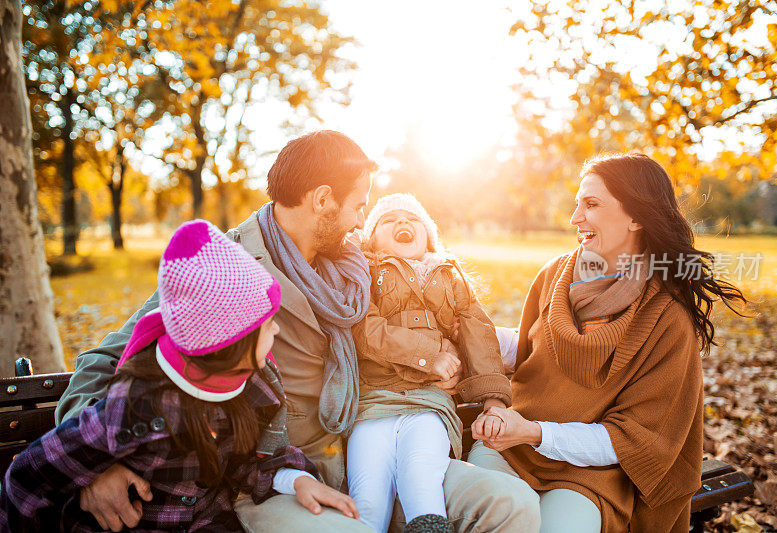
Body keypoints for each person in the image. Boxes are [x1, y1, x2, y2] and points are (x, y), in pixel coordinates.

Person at [55, 131, 540, 532]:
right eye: (358, 207)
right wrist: (91, 468)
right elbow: (110, 356)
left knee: (510, 504)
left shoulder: (353, 269)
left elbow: (441, 318)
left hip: (372, 447)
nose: (359, 223)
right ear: (322, 200)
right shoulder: (227, 264)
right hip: (276, 476)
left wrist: (528, 348)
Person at [0, 219, 357, 531]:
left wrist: (294, 478)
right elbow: (30, 477)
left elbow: (248, 461)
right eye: (266, 325)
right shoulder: (138, 405)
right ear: (228, 344)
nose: (276, 332)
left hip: (206, 521)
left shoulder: (256, 385)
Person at [468, 152, 747, 532]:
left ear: (636, 217)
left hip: (592, 474)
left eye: (592, 204)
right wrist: (458, 338)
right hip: (509, 448)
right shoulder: (554, 275)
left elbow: (631, 440)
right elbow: (532, 350)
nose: (575, 218)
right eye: (577, 204)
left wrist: (535, 432)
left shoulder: (667, 316)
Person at [349, 194, 512, 533]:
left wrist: (493, 400)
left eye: (412, 219)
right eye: (389, 220)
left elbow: (478, 336)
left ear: (429, 233)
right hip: (375, 399)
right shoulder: (366, 270)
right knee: (367, 492)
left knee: (421, 475)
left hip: (429, 403)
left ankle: (428, 524)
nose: (402, 223)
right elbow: (365, 329)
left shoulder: (451, 277)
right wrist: (431, 355)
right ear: (371, 236)